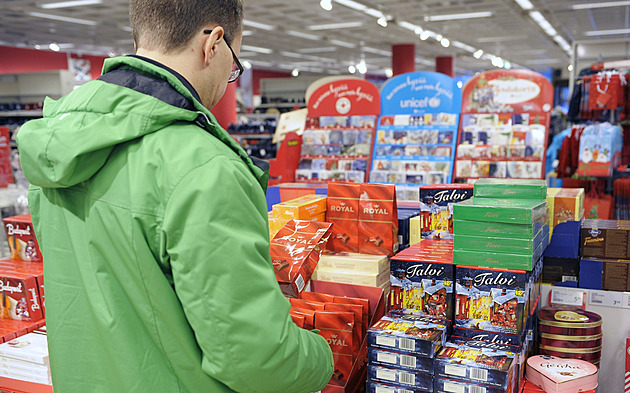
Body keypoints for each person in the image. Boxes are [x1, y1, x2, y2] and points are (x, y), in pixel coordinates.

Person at [16, 0, 334, 392]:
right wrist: (323, 357)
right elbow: (256, 360)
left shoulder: (57, 143)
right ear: (213, 43)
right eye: (234, 65)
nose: (227, 78)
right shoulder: (204, 166)